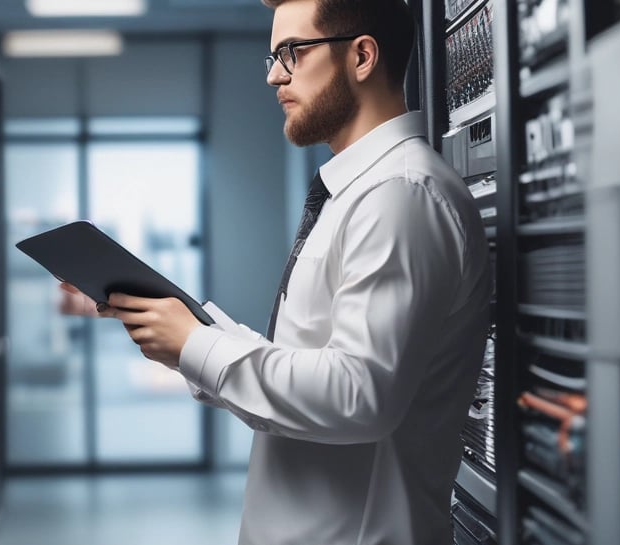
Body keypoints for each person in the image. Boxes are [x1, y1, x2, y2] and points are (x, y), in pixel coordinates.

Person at [60, 0, 491, 543]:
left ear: (362, 56)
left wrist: (196, 345)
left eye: (292, 53)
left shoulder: (401, 195)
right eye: (273, 55)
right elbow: (307, 366)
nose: (273, 75)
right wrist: (180, 331)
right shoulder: (358, 192)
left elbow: (361, 395)